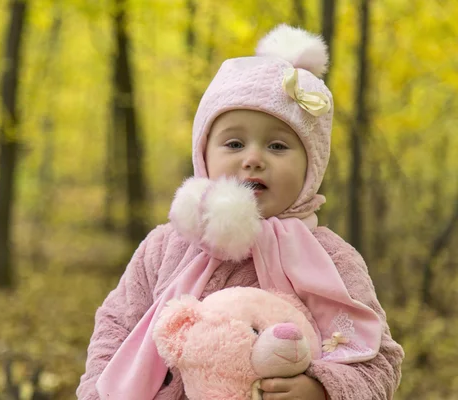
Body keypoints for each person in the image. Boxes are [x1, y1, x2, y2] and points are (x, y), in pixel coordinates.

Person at [76, 24, 404, 400]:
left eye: (278, 146)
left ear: (311, 167)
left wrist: (321, 389)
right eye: (234, 143)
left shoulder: (332, 259)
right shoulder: (166, 246)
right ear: (204, 155)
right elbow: (115, 327)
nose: (253, 159)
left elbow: (381, 362)